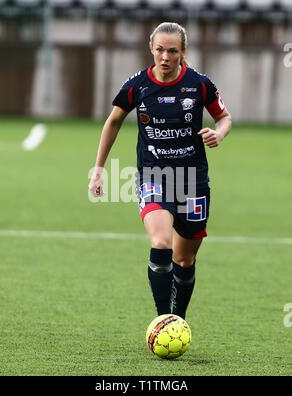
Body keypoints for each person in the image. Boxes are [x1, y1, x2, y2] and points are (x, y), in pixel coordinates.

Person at [89, 22, 232, 320]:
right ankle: (162, 319)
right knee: (161, 242)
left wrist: (219, 133)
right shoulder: (137, 86)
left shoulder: (199, 84)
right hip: (155, 177)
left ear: (183, 52)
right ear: (151, 49)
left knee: (185, 258)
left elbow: (224, 117)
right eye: (160, 50)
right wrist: (99, 168)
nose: (165, 57)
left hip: (193, 182)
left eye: (172, 51)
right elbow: (113, 121)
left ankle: (178, 319)